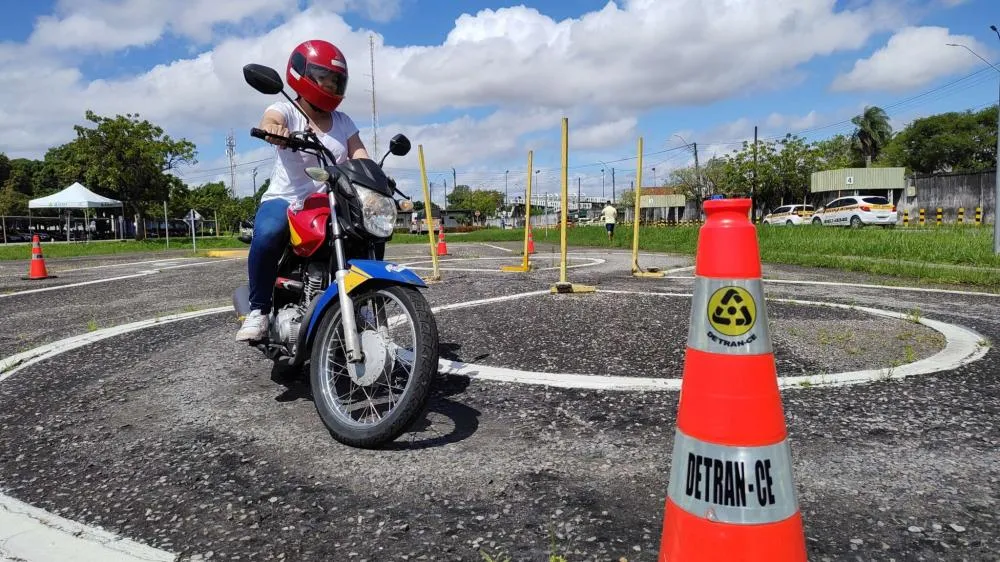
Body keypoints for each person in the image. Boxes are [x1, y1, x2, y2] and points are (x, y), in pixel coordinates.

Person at [236, 39, 370, 342]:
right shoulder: (285, 108)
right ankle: (259, 310)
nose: (332, 85)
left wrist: (375, 177)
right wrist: (276, 131)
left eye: (337, 80)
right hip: (288, 199)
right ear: (302, 74)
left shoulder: (343, 121)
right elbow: (270, 120)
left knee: (368, 231)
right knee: (269, 232)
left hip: (330, 201)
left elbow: (360, 155)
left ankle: (362, 300)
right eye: (326, 77)